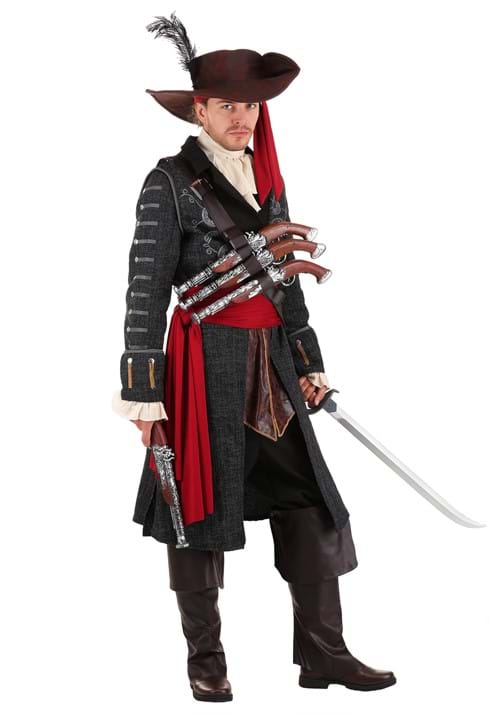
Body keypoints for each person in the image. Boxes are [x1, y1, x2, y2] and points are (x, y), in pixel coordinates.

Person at [112, 12, 396, 703]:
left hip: (272, 364)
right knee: (196, 510)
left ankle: (324, 655)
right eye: (227, 105)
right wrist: (143, 392)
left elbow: (285, 283)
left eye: (250, 106)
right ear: (200, 110)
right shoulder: (168, 182)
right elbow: (146, 290)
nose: (242, 117)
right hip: (201, 366)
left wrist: (309, 360)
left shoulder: (268, 180)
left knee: (311, 503)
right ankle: (205, 661)